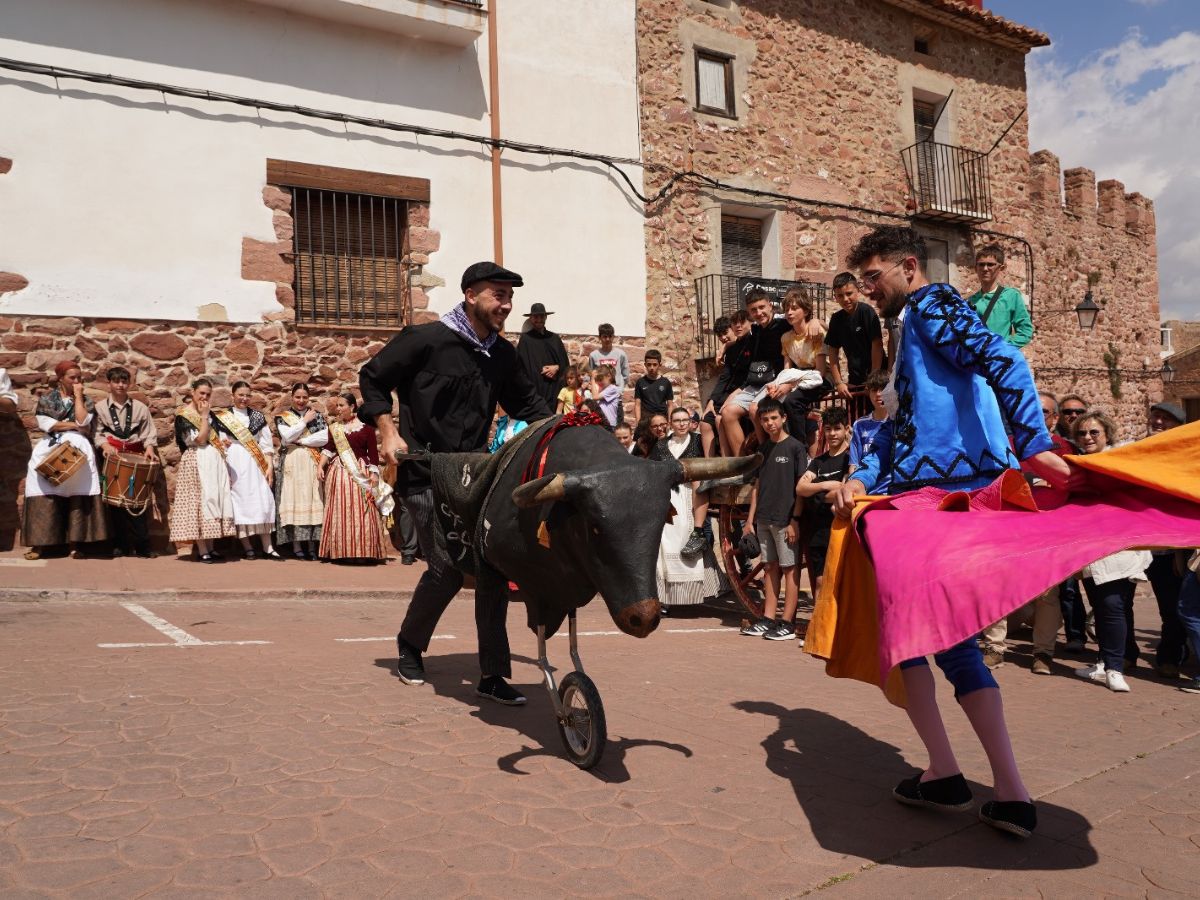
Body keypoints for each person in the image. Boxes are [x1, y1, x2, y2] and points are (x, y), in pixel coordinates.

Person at [832, 225, 1071, 839]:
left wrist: (1035, 442)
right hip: (928, 499)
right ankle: (983, 784)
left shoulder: (931, 305)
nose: (868, 291)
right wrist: (860, 475)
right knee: (938, 635)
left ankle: (965, 777)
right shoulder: (909, 330)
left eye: (873, 278)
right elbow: (894, 431)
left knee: (920, 633)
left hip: (940, 502)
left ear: (909, 266)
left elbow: (1003, 357)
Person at [359, 261, 551, 705]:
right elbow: (373, 377)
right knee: (445, 569)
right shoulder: (425, 340)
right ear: (470, 295)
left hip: (473, 473)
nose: (505, 304)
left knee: (491, 570)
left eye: (509, 296)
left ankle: (493, 675)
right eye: (497, 295)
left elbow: (531, 406)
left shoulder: (501, 355)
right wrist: (388, 431)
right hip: (422, 471)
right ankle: (410, 643)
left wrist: (575, 430)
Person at [1071, 412, 1149, 693]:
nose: (1088, 438)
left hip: (1119, 551)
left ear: (1107, 434)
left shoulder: (1122, 461)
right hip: (1091, 552)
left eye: (1094, 432)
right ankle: (1106, 661)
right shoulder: (1079, 466)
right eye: (1081, 434)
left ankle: (1115, 669)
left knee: (1113, 608)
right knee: (1105, 610)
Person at [22, 361, 110, 559]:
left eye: (79, 377)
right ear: (60, 378)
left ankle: (75, 545)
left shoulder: (85, 401)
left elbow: (83, 421)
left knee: (76, 494)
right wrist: (74, 425)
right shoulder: (47, 399)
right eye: (72, 377)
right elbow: (47, 424)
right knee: (42, 490)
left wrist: (78, 397)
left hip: (78, 449)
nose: (77, 381)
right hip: (50, 448)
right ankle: (40, 545)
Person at [739, 398, 806, 641]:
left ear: (784, 418)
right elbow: (757, 486)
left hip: (785, 520)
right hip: (764, 519)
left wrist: (794, 520)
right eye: (765, 419)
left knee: (789, 569)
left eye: (774, 418)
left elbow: (801, 487)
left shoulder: (796, 448)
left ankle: (787, 622)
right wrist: (750, 520)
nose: (769, 423)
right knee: (769, 568)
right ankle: (768, 618)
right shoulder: (764, 449)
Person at [652, 407, 725, 608]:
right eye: (677, 420)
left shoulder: (697, 440)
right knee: (665, 545)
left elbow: (708, 464)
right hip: (667, 499)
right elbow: (652, 471)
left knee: (689, 537)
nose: (682, 424)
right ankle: (665, 599)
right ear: (670, 423)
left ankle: (697, 592)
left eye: (685, 420)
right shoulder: (660, 445)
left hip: (690, 498)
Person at [1142, 401, 1188, 677]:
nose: (1158, 422)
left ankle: (1169, 656)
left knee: (1175, 607)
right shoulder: (1138, 451)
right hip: (1144, 543)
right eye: (1156, 417)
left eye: (1165, 419)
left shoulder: (1184, 455)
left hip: (1173, 546)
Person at [93, 366, 159, 558]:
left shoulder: (140, 408)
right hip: (112, 458)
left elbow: (149, 433)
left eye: (124, 382)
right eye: (116, 381)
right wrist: (105, 446)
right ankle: (120, 545)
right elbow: (96, 434)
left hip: (136, 458)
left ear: (129, 384)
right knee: (114, 504)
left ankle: (143, 547)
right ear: (109, 384)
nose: (120, 385)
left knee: (137, 502)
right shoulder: (100, 408)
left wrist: (149, 448)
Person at [318, 392, 390, 564]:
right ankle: (341, 552)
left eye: (342, 405)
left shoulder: (366, 429)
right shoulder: (334, 428)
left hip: (361, 472)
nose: (339, 409)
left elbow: (373, 454)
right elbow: (328, 449)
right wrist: (321, 465)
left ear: (352, 407)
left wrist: (373, 474)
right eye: (337, 406)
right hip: (339, 473)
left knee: (363, 511)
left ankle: (364, 552)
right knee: (340, 511)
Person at [169, 379, 235, 562]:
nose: (204, 397)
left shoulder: (210, 414)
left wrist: (224, 442)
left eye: (207, 394)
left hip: (212, 460)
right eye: (201, 393)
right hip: (195, 459)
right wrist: (205, 417)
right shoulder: (184, 415)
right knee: (198, 503)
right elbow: (198, 440)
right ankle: (202, 548)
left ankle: (211, 547)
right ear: (193, 392)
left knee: (213, 500)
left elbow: (214, 438)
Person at [213, 381, 281, 560]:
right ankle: (248, 547)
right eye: (240, 395)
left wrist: (269, 468)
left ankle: (268, 548)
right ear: (233, 395)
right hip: (234, 460)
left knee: (263, 500)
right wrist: (224, 446)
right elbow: (218, 441)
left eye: (247, 395)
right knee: (240, 502)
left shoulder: (258, 417)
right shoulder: (223, 416)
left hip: (256, 462)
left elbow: (266, 445)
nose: (244, 398)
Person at [718, 292, 789, 457]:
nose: (759, 313)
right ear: (749, 313)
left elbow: (806, 322)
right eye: (754, 310)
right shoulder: (756, 330)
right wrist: (725, 346)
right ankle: (743, 464)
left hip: (777, 380)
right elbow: (739, 339)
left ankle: (766, 455)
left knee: (754, 409)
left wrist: (816, 321)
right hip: (757, 381)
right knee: (728, 413)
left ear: (770, 305)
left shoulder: (783, 324)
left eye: (761, 307)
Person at [797, 406, 851, 610]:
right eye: (828, 429)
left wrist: (815, 492)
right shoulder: (818, 462)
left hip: (842, 529)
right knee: (819, 582)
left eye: (837, 428)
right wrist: (826, 485)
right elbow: (801, 487)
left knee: (842, 582)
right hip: (819, 532)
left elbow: (844, 491)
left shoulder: (850, 459)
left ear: (846, 429)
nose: (832, 434)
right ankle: (818, 632)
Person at [273, 382, 328, 560]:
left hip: (311, 461)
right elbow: (286, 437)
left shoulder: (318, 416)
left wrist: (301, 441)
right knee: (295, 499)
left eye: (304, 397)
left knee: (313, 499)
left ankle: (312, 546)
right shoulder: (283, 416)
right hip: (292, 461)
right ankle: (297, 546)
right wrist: (304, 422)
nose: (301, 401)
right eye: (298, 397)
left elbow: (324, 438)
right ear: (292, 397)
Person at [824, 272, 884, 419]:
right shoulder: (836, 319)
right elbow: (832, 352)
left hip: (877, 380)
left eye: (849, 293)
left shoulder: (866, 312)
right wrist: (839, 382)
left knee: (880, 420)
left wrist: (873, 378)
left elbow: (877, 345)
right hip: (855, 381)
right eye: (840, 296)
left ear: (858, 291)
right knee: (856, 422)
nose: (845, 299)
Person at [964, 244, 1033, 349]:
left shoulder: (1011, 296)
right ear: (976, 268)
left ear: (1001, 268)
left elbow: (1025, 331)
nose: (985, 268)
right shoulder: (970, 301)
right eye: (981, 265)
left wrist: (1003, 348)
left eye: (990, 264)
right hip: (975, 361)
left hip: (998, 361)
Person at [703, 312, 749, 456]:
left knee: (719, 419)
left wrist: (727, 346)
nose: (723, 338)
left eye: (725, 333)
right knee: (705, 422)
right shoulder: (729, 350)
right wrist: (711, 401)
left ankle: (728, 463)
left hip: (744, 390)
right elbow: (724, 378)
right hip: (727, 393)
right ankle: (711, 468)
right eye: (720, 336)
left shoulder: (749, 343)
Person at [516, 302, 569, 408]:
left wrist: (557, 367)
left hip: (554, 392)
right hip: (534, 394)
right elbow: (519, 367)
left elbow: (566, 364)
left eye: (542, 316)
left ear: (546, 317)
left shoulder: (554, 338)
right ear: (531, 318)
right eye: (536, 316)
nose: (539, 319)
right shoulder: (525, 340)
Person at [848, 370, 892, 493]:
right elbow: (854, 465)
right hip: (865, 490)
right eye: (874, 390)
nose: (878, 394)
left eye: (883, 389)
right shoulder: (860, 424)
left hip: (891, 491)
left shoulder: (898, 422)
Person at [633, 349, 673, 425]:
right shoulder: (640, 382)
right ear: (645, 365)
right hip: (646, 420)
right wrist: (638, 422)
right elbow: (637, 404)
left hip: (662, 420)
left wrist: (670, 421)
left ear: (659, 365)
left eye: (655, 364)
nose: (652, 367)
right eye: (649, 364)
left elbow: (670, 404)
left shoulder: (666, 382)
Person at [586, 323, 630, 389]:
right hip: (600, 393)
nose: (607, 339)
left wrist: (620, 389)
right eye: (605, 336)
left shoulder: (621, 354)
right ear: (599, 337)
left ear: (613, 337)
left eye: (610, 336)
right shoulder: (594, 355)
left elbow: (625, 376)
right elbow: (591, 374)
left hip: (616, 394)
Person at [588, 365, 621, 429]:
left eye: (600, 379)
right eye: (596, 380)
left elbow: (594, 397)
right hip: (601, 422)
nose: (598, 382)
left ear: (609, 376)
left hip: (609, 423)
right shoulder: (601, 389)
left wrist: (592, 379)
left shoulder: (613, 388)